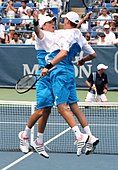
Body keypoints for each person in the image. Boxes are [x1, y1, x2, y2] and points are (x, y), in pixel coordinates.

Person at [19, 11, 99, 158]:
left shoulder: (56, 34)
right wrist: (35, 22)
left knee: (48, 110)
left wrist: (82, 20)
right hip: (44, 75)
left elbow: (72, 32)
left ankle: (39, 141)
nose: (53, 23)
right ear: (44, 25)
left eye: (53, 21)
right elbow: (37, 31)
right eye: (50, 22)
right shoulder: (42, 35)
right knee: (41, 110)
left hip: (52, 73)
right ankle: (25, 135)